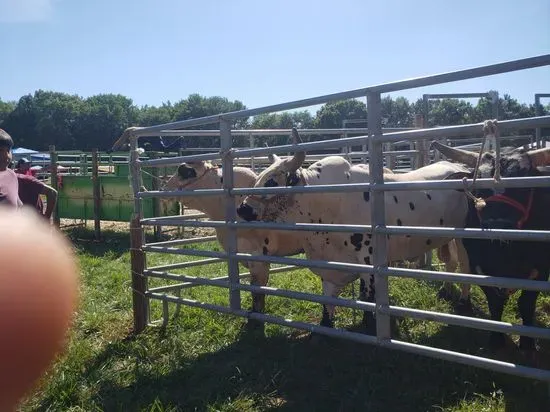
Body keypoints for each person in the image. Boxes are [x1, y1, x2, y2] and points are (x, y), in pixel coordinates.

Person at [0, 129, 21, 209]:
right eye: (0, 150)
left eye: (8, 150)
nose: (7, 156)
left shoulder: (11, 175)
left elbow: (18, 205)